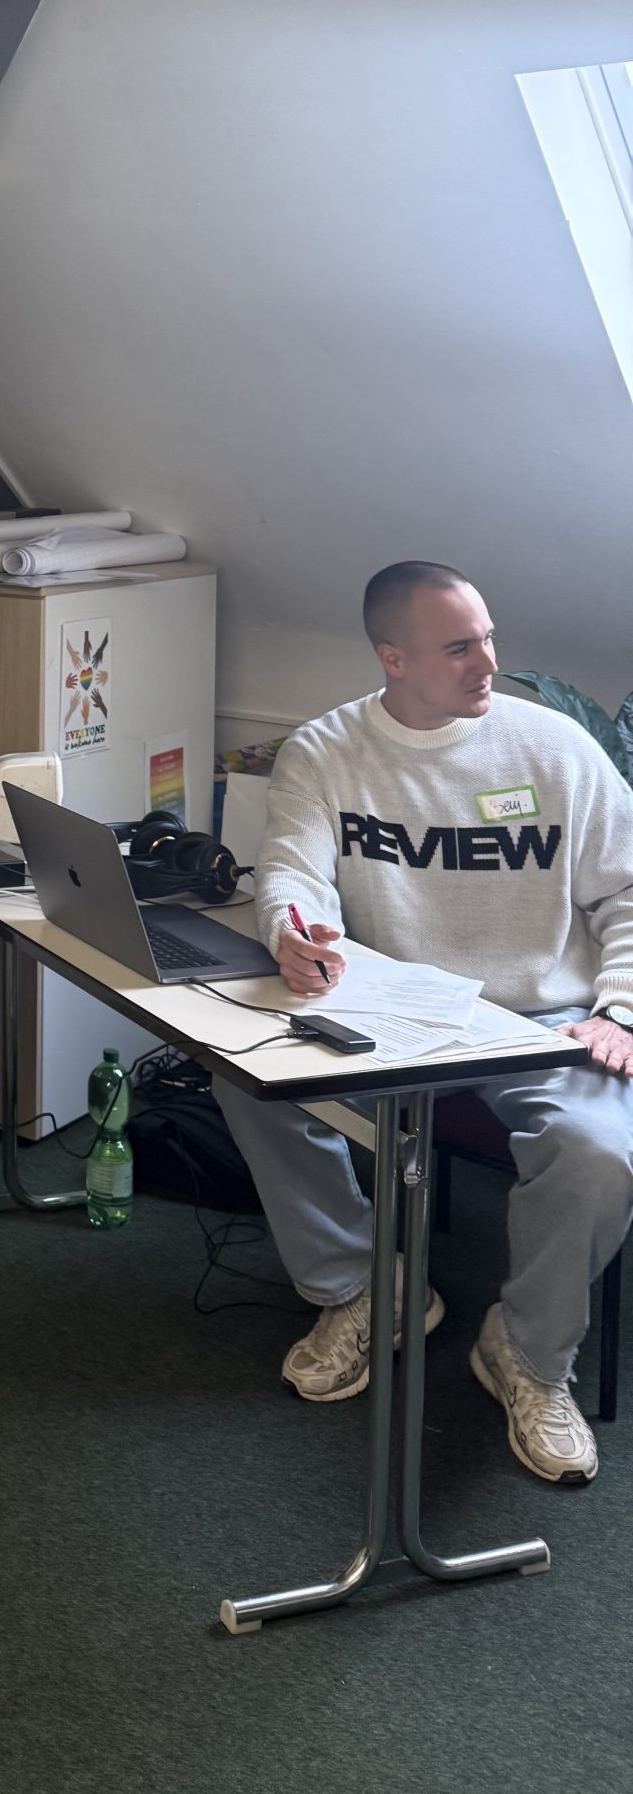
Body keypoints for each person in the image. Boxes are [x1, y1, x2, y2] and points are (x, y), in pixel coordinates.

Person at [219, 561, 633, 1484]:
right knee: (242, 1073)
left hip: (543, 1018)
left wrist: (621, 1010)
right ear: (393, 658)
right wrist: (291, 932)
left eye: (487, 638)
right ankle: (367, 1286)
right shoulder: (327, 750)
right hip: (391, 1011)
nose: (488, 663)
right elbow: (291, 870)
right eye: (458, 648)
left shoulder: (555, 747)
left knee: (600, 1153)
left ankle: (527, 1353)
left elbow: (629, 889)